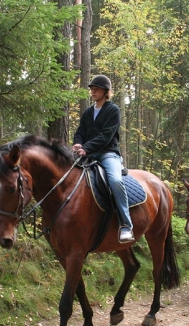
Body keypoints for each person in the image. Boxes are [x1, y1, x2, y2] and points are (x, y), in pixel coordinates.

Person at [73, 75, 134, 244]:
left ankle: (126, 225)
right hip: (88, 155)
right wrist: (78, 143)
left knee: (114, 181)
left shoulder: (113, 110)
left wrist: (86, 147)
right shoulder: (88, 112)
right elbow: (80, 131)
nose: (92, 91)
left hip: (108, 154)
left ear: (106, 92)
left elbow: (106, 136)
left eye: (96, 89)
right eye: (91, 89)